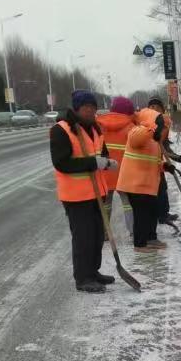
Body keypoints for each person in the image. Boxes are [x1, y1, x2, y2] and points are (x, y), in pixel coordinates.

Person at [50, 90, 119, 293]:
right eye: (86, 108)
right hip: (76, 196)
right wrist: (93, 162)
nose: (90, 111)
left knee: (97, 235)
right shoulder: (61, 130)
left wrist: (106, 162)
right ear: (77, 108)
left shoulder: (95, 129)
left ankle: (93, 271)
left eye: (93, 108)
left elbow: (101, 153)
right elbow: (61, 163)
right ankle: (83, 278)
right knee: (83, 238)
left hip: (97, 192)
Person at [117, 107, 179, 252]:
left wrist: (165, 167)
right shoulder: (138, 131)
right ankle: (140, 244)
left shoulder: (154, 142)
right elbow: (135, 140)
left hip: (148, 184)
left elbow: (154, 162)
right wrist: (152, 125)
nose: (165, 133)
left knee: (152, 211)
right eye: (164, 129)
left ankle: (151, 238)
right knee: (141, 214)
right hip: (135, 184)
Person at [97, 96, 136, 238]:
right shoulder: (131, 127)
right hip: (123, 173)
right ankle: (133, 231)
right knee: (128, 204)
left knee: (105, 204)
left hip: (104, 171)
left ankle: (104, 232)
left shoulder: (99, 125)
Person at [147, 96, 181, 224]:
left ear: (162, 110)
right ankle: (158, 215)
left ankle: (163, 213)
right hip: (145, 163)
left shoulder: (163, 124)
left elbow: (165, 147)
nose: (154, 109)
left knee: (162, 187)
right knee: (155, 190)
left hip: (157, 163)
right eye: (152, 107)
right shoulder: (145, 124)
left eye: (157, 107)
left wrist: (178, 158)